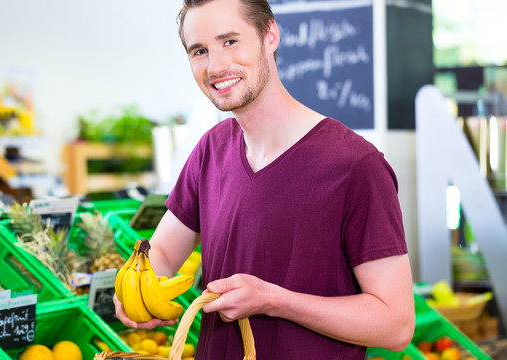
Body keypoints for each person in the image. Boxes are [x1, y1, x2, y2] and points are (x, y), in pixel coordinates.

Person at [114, 0, 415, 358]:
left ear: (269, 35)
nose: (215, 66)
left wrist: (274, 300)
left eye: (230, 41)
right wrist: (135, 292)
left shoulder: (356, 166)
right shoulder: (211, 150)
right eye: (199, 51)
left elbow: (396, 326)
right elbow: (162, 251)